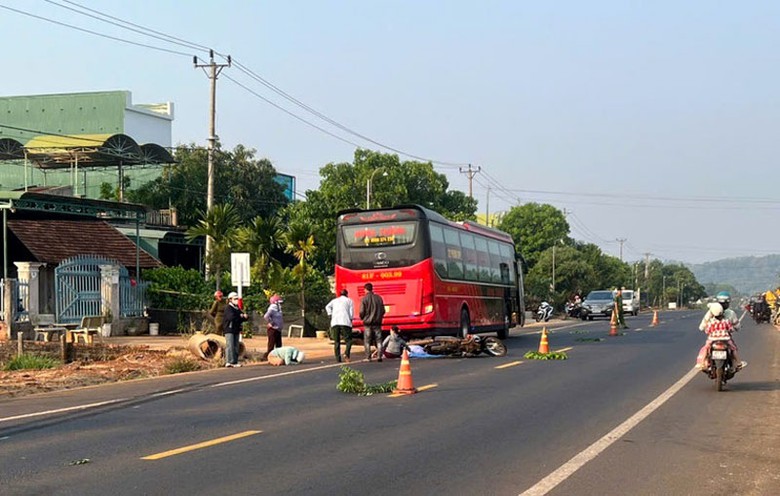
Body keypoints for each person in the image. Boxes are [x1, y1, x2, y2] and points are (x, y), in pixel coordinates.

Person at [696, 301, 745, 371]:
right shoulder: (726, 321)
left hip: (712, 339)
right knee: (734, 349)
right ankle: (739, 362)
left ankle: (702, 363)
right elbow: (731, 329)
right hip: (726, 339)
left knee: (706, 349)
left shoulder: (711, 322)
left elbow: (707, 330)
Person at [359, 282, 386, 362]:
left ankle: (368, 357)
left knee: (367, 340)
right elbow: (383, 311)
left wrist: (363, 318)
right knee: (379, 340)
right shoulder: (379, 298)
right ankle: (379, 356)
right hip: (377, 323)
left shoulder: (364, 299)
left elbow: (361, 312)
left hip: (367, 323)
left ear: (365, 289)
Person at [326, 289, 354, 363]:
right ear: (347, 294)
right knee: (348, 340)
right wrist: (350, 320)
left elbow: (327, 307)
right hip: (345, 322)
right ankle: (346, 354)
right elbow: (351, 314)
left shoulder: (334, 300)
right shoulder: (349, 301)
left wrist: (330, 314)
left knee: (337, 341)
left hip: (335, 322)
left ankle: (338, 358)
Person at [222, 291, 248, 367]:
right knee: (230, 345)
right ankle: (229, 361)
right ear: (230, 299)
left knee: (236, 345)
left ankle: (235, 361)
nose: (236, 300)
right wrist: (241, 316)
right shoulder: (228, 308)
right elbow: (231, 317)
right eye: (235, 299)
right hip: (229, 329)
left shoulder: (237, 308)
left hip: (236, 329)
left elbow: (241, 318)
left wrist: (244, 317)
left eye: (237, 299)